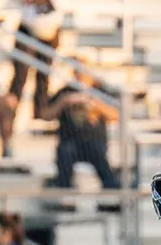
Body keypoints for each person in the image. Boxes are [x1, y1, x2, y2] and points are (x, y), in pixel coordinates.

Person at [44, 61, 121, 194]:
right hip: (70, 142)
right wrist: (63, 102)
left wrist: (95, 104)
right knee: (64, 153)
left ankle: (111, 193)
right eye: (78, 71)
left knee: (100, 157)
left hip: (94, 143)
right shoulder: (65, 92)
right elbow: (45, 115)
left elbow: (116, 115)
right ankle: (63, 192)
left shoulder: (100, 91)